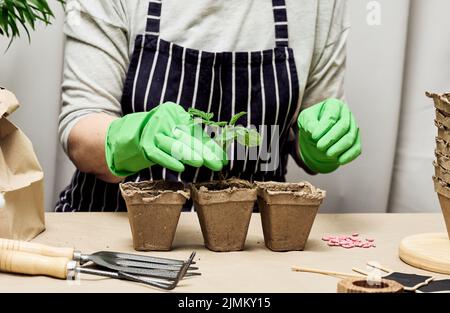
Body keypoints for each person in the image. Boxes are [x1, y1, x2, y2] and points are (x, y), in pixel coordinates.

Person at [55, 0, 361, 212]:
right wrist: (131, 138)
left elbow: (312, 125)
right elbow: (80, 132)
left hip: (250, 240)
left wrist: (319, 144)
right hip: (117, 234)